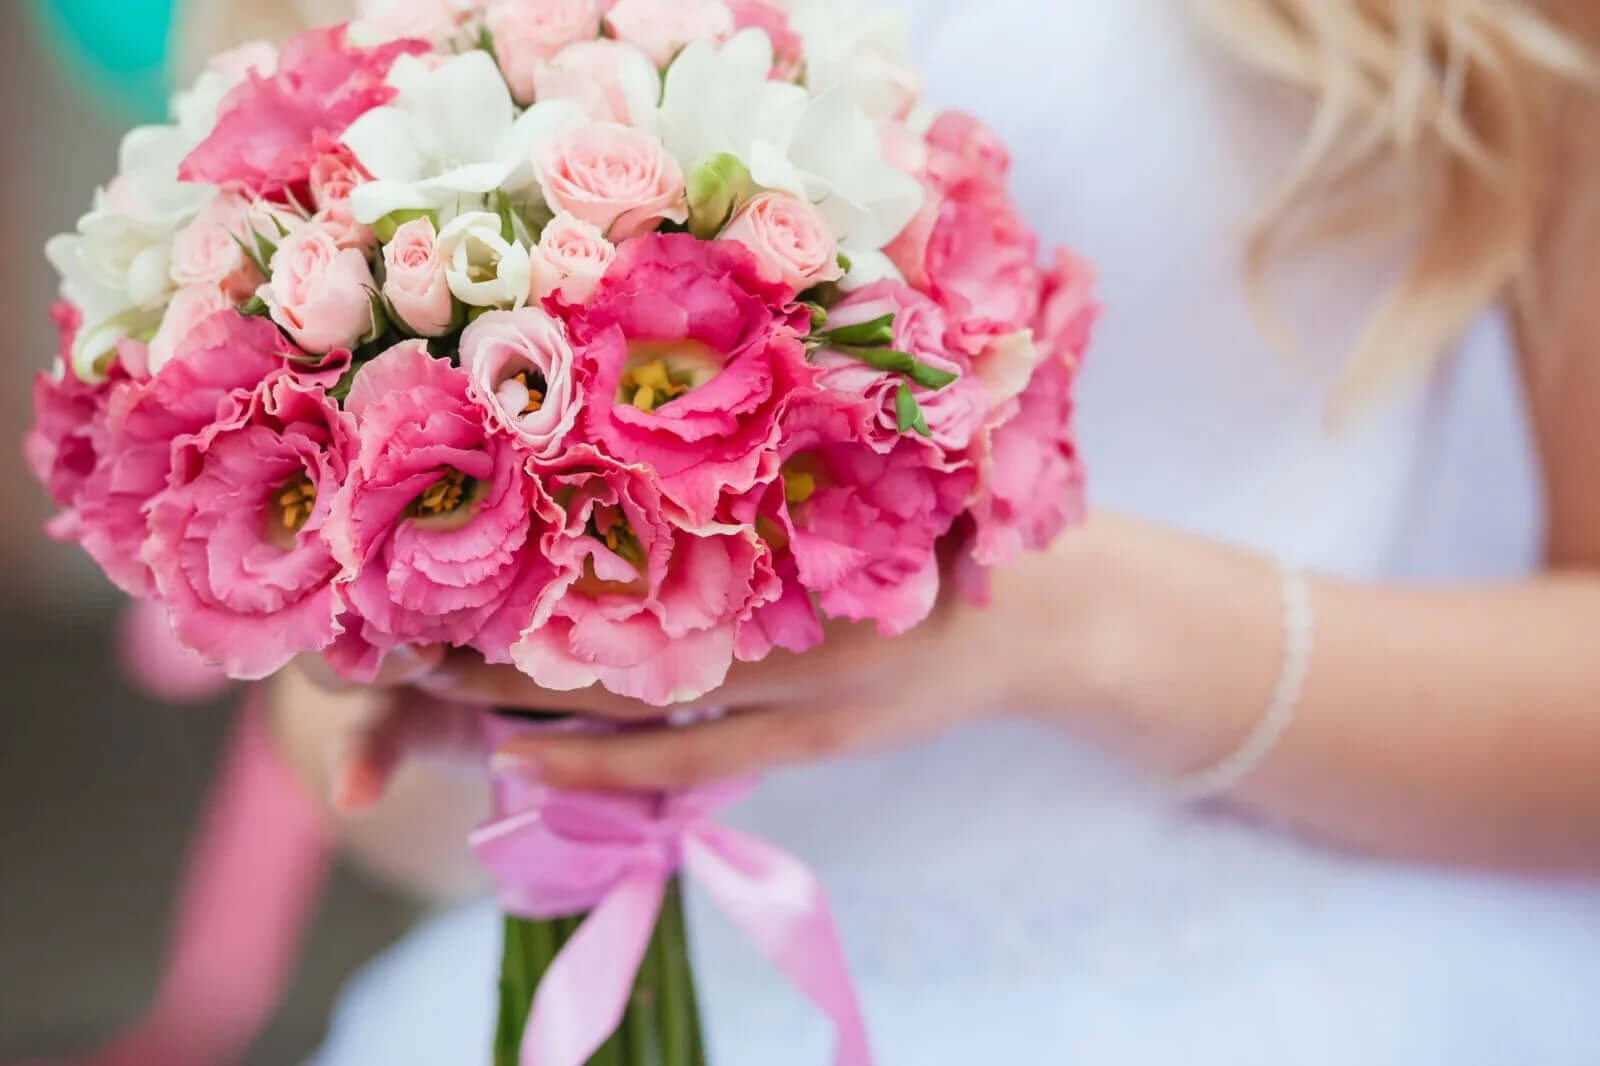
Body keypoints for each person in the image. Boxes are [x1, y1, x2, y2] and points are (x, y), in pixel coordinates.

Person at [240, 1, 1600, 1062]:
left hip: (1306, 984)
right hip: (643, 975)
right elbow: (364, 782)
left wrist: (1066, 621)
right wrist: (469, 675)